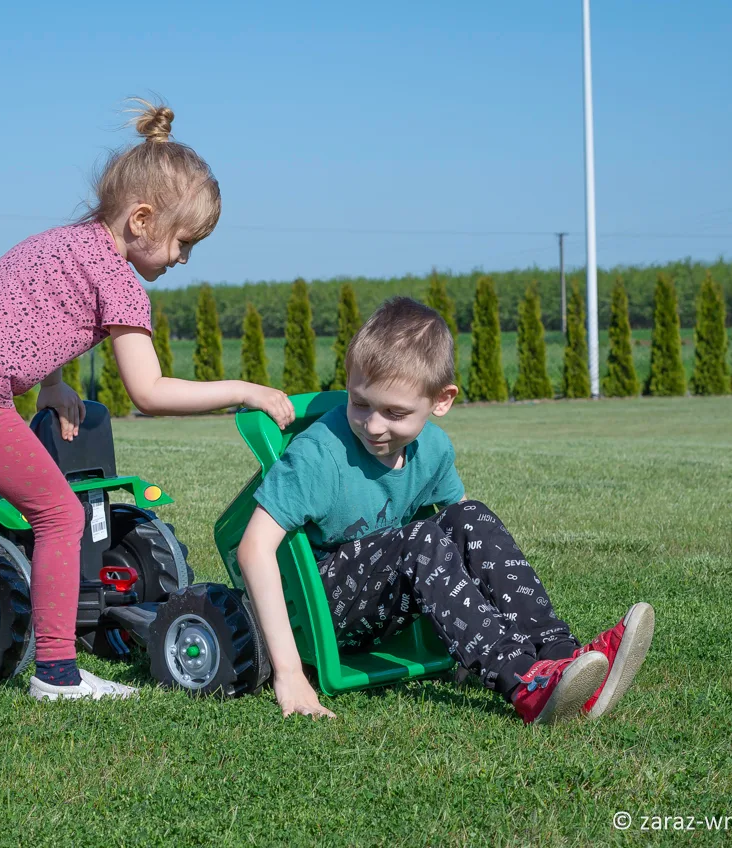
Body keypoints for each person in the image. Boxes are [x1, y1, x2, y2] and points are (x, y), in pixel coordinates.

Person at [0, 99, 295, 699]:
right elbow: (150, 391)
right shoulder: (121, 284)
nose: (183, 259)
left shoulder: (64, 242)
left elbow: (33, 310)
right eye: (184, 243)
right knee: (61, 515)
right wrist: (246, 389)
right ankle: (56, 673)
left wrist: (53, 385)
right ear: (141, 220)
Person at [237, 297, 655, 724]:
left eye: (395, 412)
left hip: (385, 600)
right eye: (359, 403)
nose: (374, 425)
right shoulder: (317, 456)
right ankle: (524, 681)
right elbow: (252, 549)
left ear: (441, 401)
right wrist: (288, 673)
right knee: (420, 539)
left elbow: (469, 540)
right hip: (318, 606)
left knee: (470, 516)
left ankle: (562, 657)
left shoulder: (433, 449)